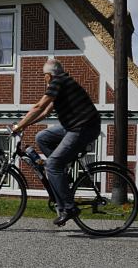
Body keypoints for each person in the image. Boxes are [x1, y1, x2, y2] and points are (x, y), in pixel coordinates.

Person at [11, 58, 100, 226]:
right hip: (74, 126)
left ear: (49, 75)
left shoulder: (58, 81)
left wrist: (18, 127)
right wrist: (25, 126)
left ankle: (69, 207)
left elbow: (38, 106)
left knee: (52, 165)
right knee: (42, 137)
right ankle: (62, 172)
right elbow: (44, 112)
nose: (44, 79)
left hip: (83, 128)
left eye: (44, 76)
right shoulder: (63, 83)